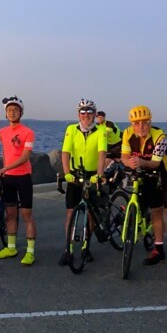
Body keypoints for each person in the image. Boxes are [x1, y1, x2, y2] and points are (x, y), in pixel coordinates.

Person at [121, 105, 167, 270]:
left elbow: (155, 162)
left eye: (145, 122)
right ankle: (159, 249)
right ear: (132, 124)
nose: (141, 127)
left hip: (164, 173)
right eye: (137, 123)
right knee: (155, 211)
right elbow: (124, 157)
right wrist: (130, 163)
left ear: (150, 122)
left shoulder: (160, 136)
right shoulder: (127, 134)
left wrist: (140, 162)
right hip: (145, 172)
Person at [58, 99, 109, 266]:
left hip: (92, 175)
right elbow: (65, 152)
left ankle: (86, 247)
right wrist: (66, 173)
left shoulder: (101, 131)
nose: (86, 115)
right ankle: (69, 249)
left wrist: (100, 174)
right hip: (75, 175)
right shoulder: (71, 129)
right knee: (70, 212)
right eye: (83, 112)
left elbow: (102, 153)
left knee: (90, 213)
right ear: (78, 114)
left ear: (94, 114)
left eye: (89, 112)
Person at [0, 97, 39, 265]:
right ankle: (11, 248)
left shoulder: (28, 132)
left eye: (15, 110)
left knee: (26, 215)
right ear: (5, 113)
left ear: (21, 113)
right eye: (9, 110)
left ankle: (30, 252)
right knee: (10, 214)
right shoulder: (2, 132)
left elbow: (25, 157)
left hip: (23, 177)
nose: (12, 112)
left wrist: (4, 169)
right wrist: (5, 168)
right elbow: (5, 152)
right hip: (9, 178)